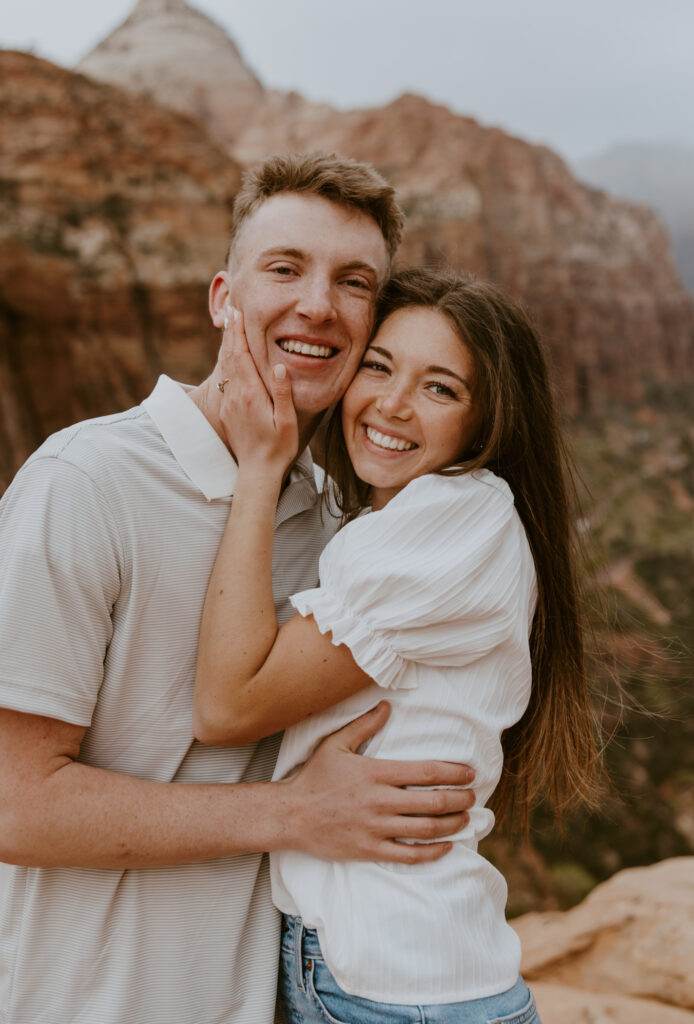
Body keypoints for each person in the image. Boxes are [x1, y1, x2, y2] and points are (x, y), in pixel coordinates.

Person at [0, 154, 477, 1024]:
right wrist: (290, 815)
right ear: (224, 295)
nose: (318, 306)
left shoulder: (342, 522)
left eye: (354, 283)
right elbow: (14, 804)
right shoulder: (84, 484)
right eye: (285, 268)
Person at [193, 266, 603, 1024]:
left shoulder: (454, 519)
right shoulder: (418, 521)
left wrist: (261, 468)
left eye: (440, 388)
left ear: (484, 424)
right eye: (378, 366)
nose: (391, 403)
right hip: (399, 979)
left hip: (394, 992)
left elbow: (226, 705)